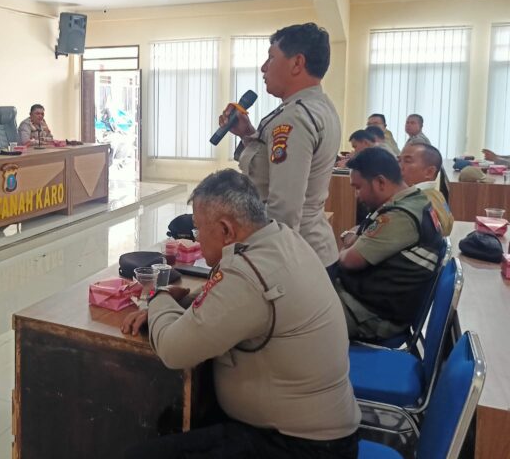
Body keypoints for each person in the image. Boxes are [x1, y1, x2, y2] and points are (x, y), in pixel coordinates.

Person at [121, 169, 360, 459]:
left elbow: (173, 350)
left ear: (226, 230)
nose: (197, 239)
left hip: (300, 446)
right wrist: (183, 302)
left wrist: (157, 297)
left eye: (198, 229)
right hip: (312, 428)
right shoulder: (283, 238)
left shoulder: (250, 273)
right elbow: (229, 301)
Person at [218, 23, 341, 271]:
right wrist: (248, 134)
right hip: (313, 251)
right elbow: (273, 167)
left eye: (271, 58)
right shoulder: (319, 106)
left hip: (296, 259)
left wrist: (262, 266)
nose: (264, 67)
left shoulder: (295, 117)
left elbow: (284, 210)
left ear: (297, 63)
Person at [335, 147, 443, 342]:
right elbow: (360, 233)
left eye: (358, 187)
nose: (357, 195)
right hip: (366, 303)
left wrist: (346, 246)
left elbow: (348, 260)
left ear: (380, 182)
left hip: (369, 316)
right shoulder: (414, 201)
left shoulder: (400, 217)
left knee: (290, 312)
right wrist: (355, 238)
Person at [399, 142, 454, 236]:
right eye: (399, 160)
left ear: (429, 172)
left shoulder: (415, 202)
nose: (399, 166)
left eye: (407, 161)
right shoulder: (438, 195)